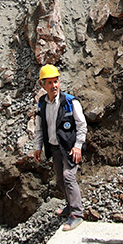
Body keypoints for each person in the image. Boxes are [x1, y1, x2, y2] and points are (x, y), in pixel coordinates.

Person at [31, 64, 86, 231]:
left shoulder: (70, 102)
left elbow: (82, 125)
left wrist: (78, 146)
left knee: (68, 176)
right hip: (54, 148)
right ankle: (70, 206)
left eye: (56, 82)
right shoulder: (42, 103)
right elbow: (40, 127)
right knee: (60, 180)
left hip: (69, 147)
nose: (54, 85)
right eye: (50, 83)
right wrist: (38, 146)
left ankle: (77, 214)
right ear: (43, 85)